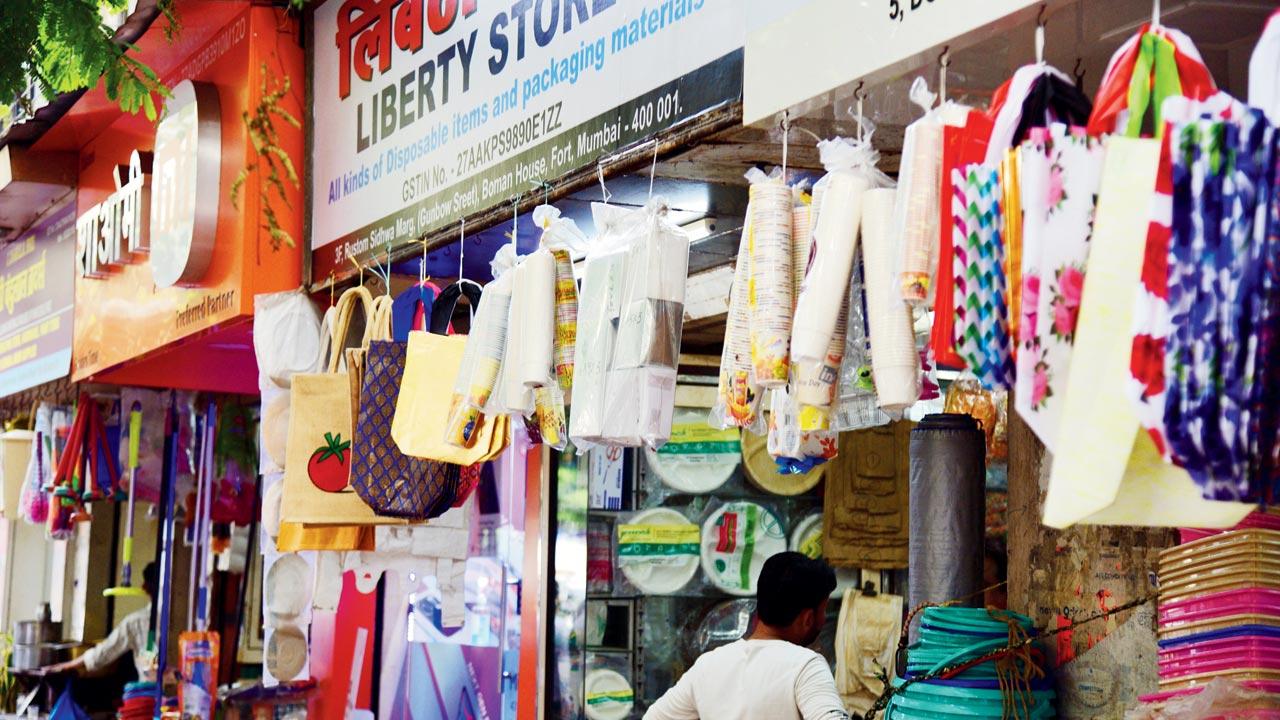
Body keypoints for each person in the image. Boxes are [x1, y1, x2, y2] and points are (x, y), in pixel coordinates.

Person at [644, 552, 849, 720]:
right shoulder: (806, 666)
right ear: (807, 618)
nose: (823, 621)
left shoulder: (708, 665)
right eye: (823, 611)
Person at [44, 562, 157, 680]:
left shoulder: (136, 622)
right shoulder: (137, 622)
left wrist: (65, 666)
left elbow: (102, 654)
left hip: (149, 694)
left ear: (145, 587)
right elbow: (102, 653)